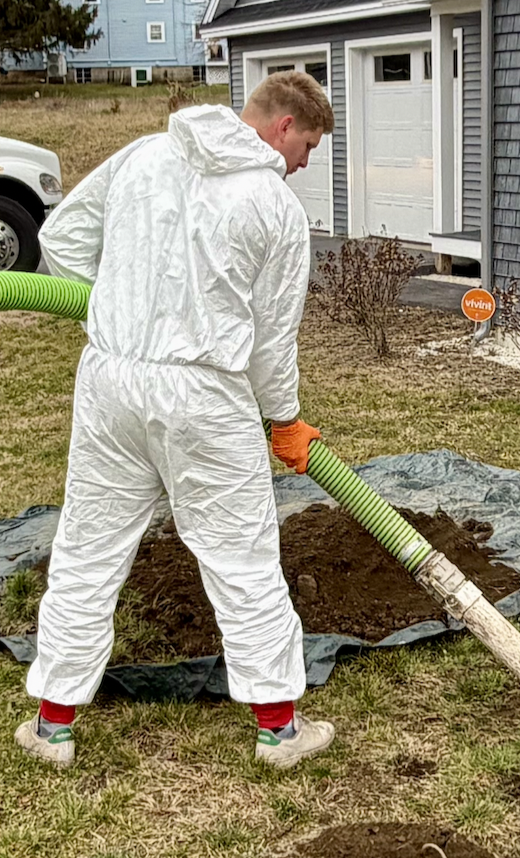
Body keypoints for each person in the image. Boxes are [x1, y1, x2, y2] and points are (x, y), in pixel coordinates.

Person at [16, 72, 338, 770]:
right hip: (206, 395)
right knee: (242, 556)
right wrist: (284, 419)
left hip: (111, 382)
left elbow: (63, 236)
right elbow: (271, 339)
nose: (306, 162)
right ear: (283, 126)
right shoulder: (273, 207)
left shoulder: (144, 155)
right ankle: (279, 732)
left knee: (88, 545)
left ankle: (53, 726)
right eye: (308, 145)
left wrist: (120, 306)